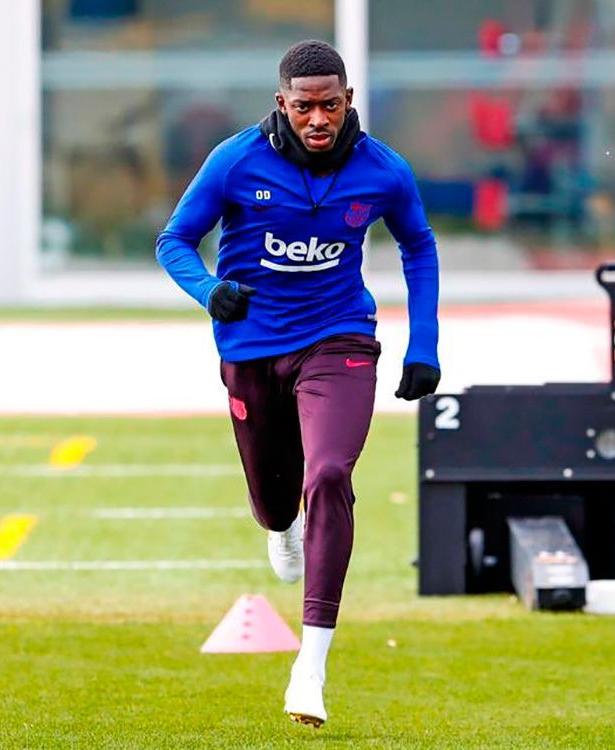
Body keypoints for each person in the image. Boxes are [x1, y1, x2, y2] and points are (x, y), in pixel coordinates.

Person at [156, 39, 440, 727]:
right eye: (305, 106)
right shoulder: (234, 160)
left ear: (348, 104)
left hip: (340, 340)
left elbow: (418, 245)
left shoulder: (383, 171)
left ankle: (309, 666)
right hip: (251, 348)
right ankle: (279, 527)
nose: (319, 119)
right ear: (282, 104)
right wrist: (209, 289)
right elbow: (174, 240)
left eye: (331, 105)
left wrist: (423, 344)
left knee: (331, 474)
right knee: (275, 498)